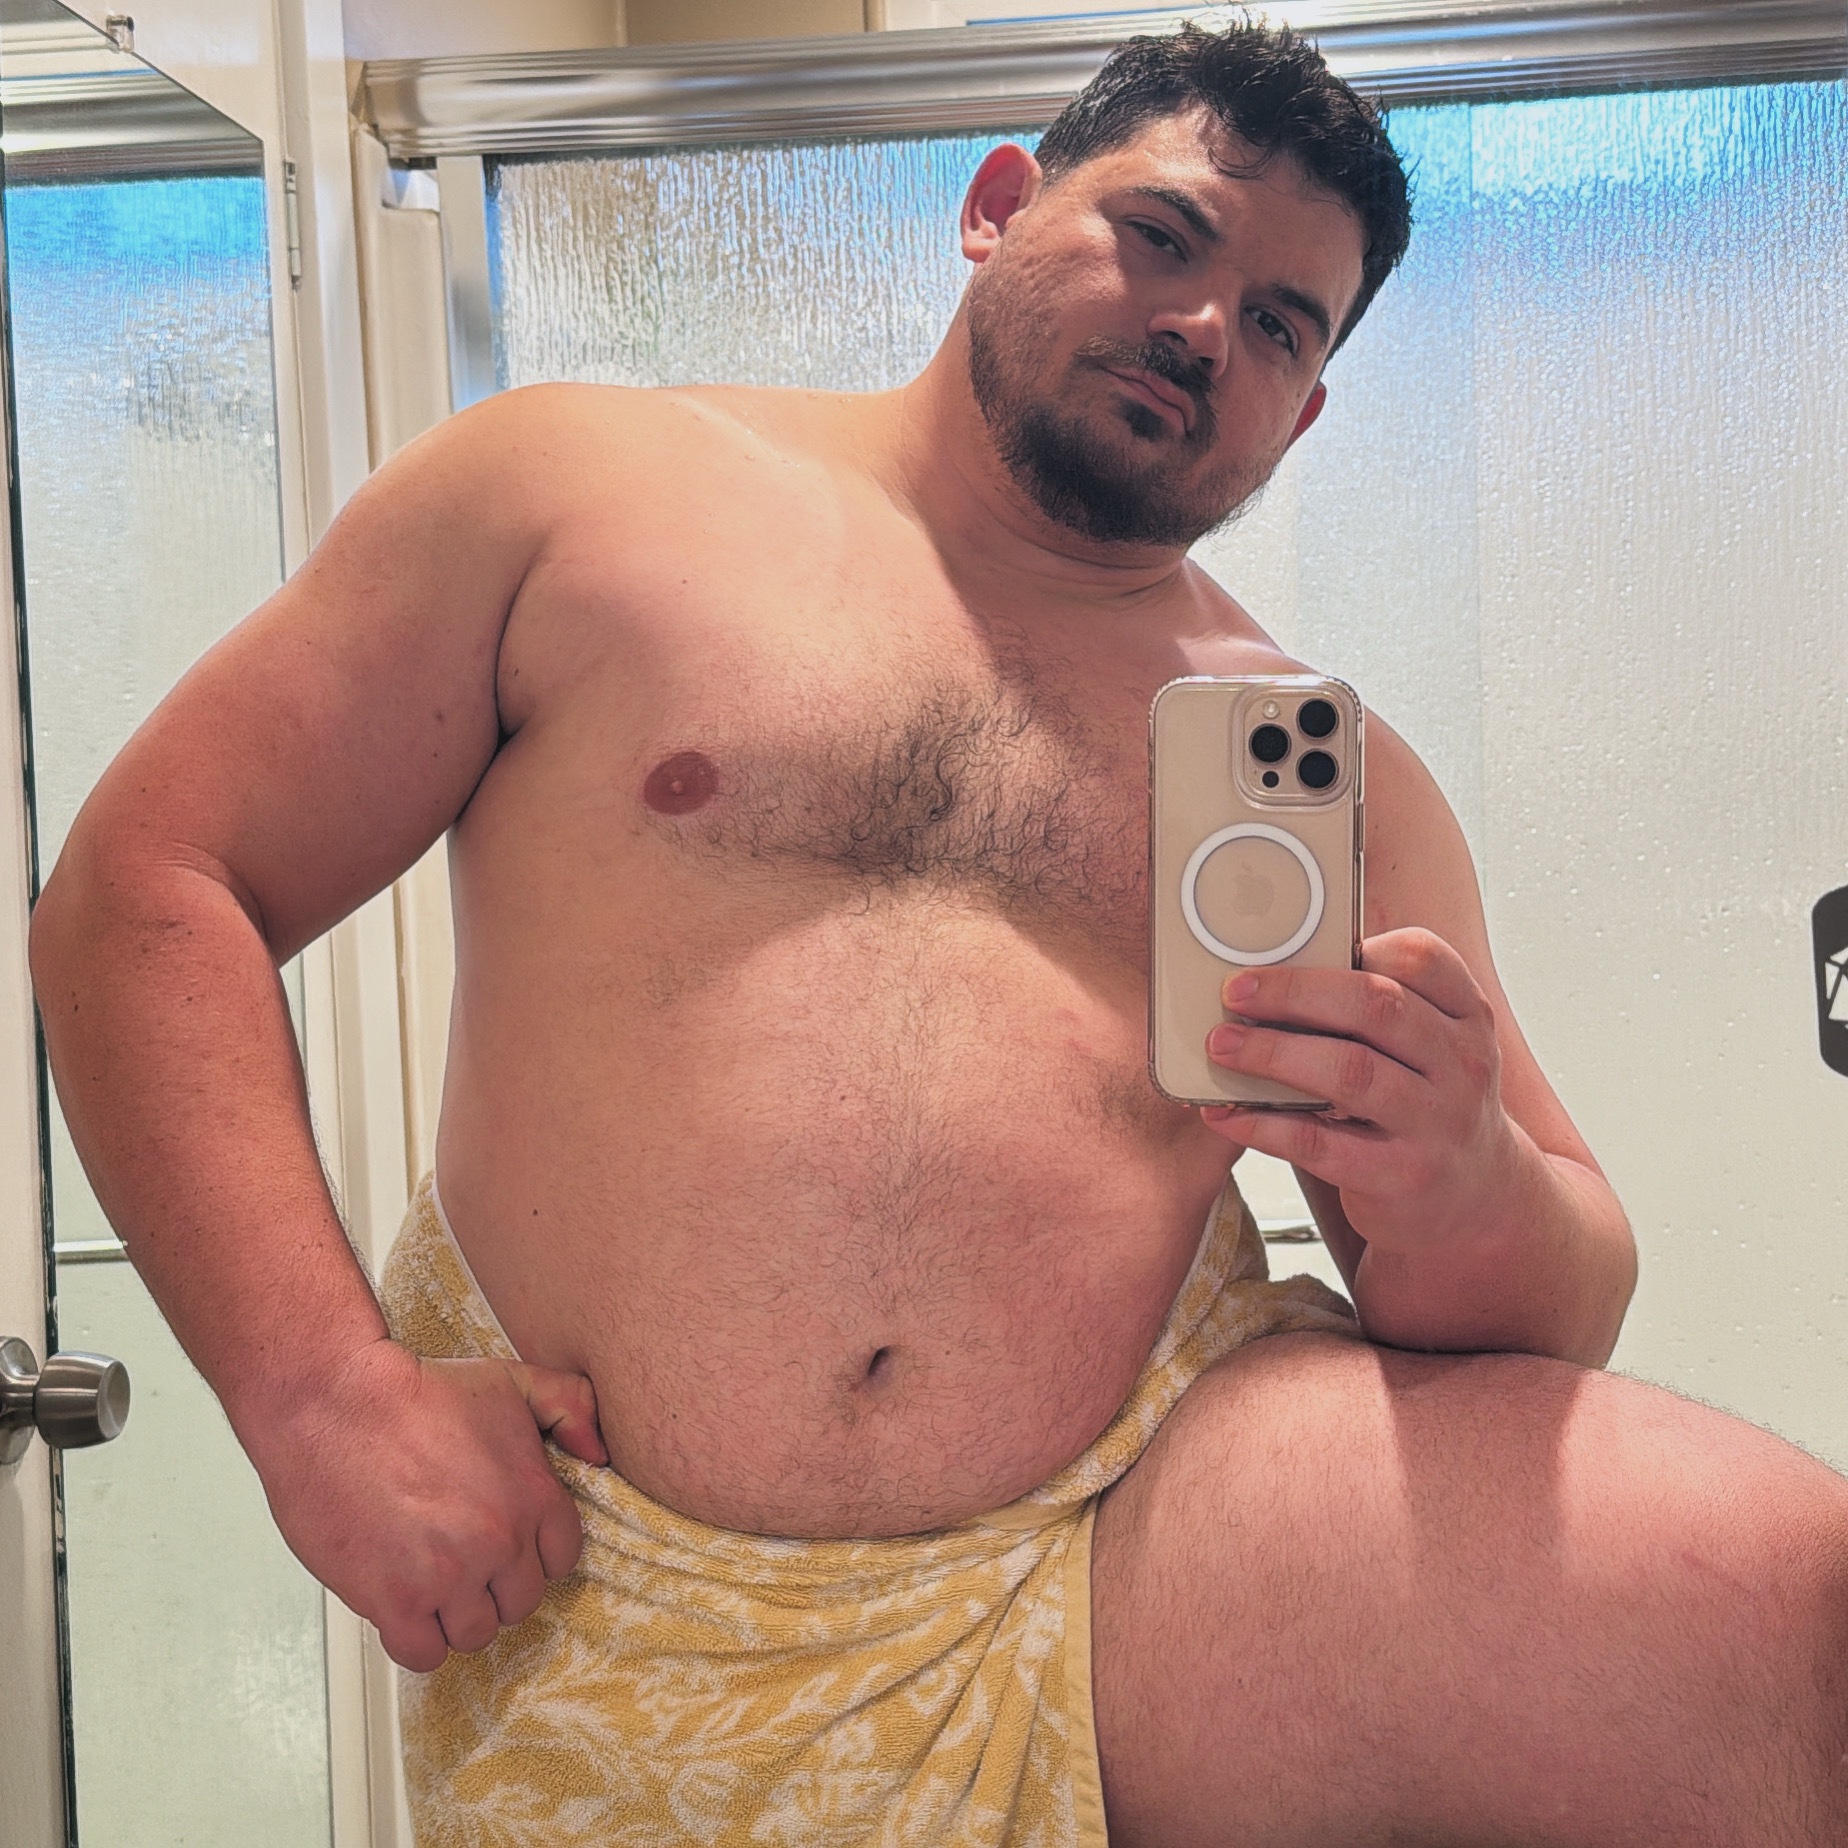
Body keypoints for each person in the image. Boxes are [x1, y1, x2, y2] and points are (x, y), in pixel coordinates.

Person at [30, 20, 1848, 1847]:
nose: (1207, 328)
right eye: (1164, 235)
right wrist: (321, 1397)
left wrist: (1463, 1181)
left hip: (1130, 1558)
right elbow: (153, 882)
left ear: (1301, 415)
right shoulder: (578, 497)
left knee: (1783, 1609)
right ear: (996, 208)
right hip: (606, 1589)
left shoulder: (1325, 772)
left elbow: (1559, 1304)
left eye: (1283, 326)